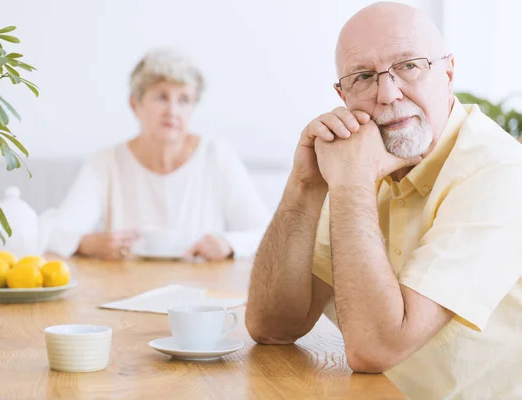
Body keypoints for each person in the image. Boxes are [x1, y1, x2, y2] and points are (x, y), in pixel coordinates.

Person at [245, 2, 522, 399]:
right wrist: (304, 185)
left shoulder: (499, 173)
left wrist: (351, 184)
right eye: (364, 76)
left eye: (409, 65)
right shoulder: (362, 158)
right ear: (343, 95)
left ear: (448, 73)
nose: (388, 94)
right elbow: (272, 327)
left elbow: (377, 349)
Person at [45, 49, 269, 261]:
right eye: (161, 97)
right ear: (135, 104)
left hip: (203, 294)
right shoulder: (105, 163)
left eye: (184, 100)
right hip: (124, 290)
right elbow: (56, 233)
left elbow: (266, 232)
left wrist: (229, 243)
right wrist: (87, 243)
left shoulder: (218, 157)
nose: (172, 111)